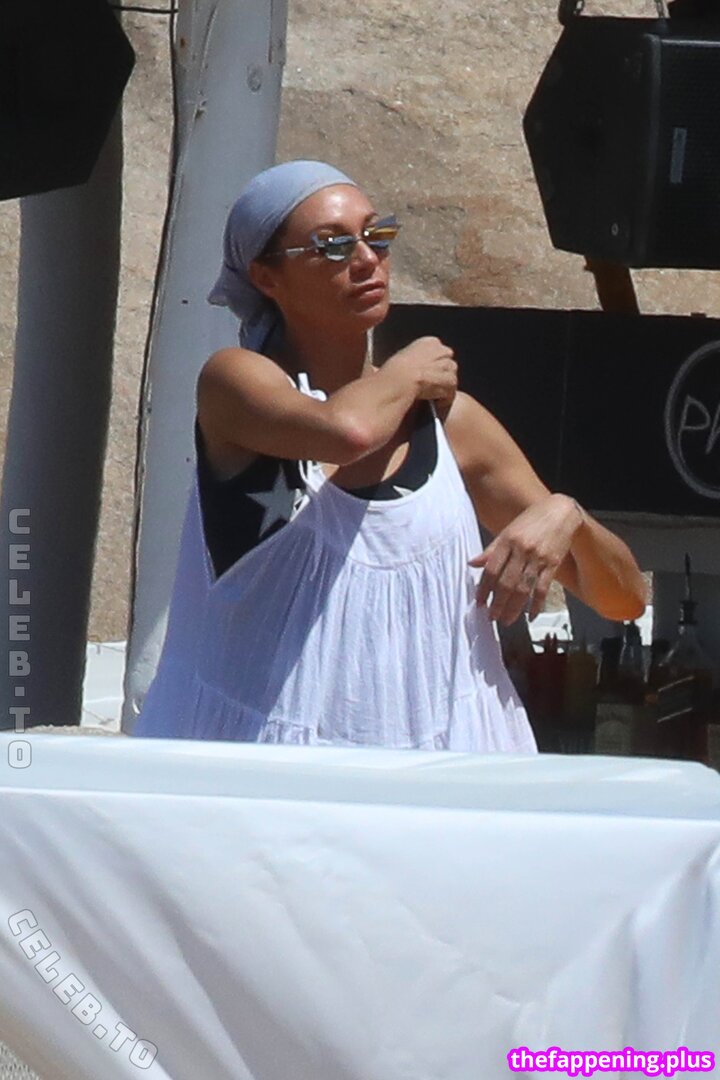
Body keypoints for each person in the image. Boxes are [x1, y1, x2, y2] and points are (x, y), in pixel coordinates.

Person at [132, 159, 646, 750]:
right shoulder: (234, 382)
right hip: (261, 778)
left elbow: (624, 598)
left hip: (439, 776)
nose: (366, 259)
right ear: (266, 277)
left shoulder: (451, 427)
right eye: (332, 245)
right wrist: (408, 369)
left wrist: (566, 515)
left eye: (377, 236)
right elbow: (346, 432)